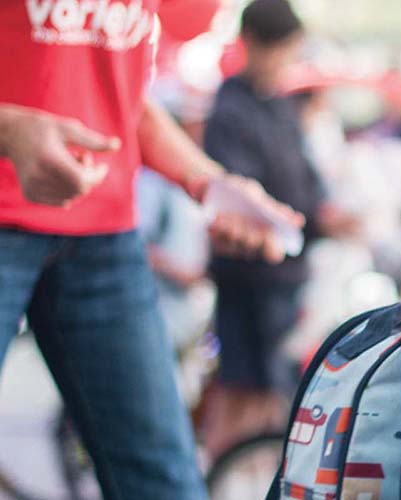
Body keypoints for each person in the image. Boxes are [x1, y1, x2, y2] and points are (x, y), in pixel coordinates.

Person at [0, 0, 304, 498]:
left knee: (166, 481)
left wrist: (212, 184)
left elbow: (123, 102)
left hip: (106, 235)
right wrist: (10, 130)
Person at [200, 0, 359, 457]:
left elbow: (307, 181)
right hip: (249, 272)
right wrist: (309, 218)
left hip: (288, 272)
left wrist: (326, 215)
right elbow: (240, 195)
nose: (284, 63)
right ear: (251, 45)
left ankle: (242, 472)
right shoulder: (230, 111)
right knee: (246, 388)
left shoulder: (282, 108)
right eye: (279, 52)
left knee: (273, 389)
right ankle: (222, 473)